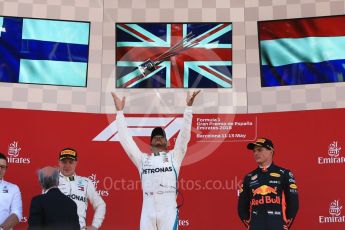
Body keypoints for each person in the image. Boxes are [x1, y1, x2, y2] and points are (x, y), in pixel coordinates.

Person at [112, 91, 200, 230]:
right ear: (151, 142)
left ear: (167, 142)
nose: (158, 138)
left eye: (161, 136)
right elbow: (126, 140)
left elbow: (184, 137)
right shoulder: (142, 159)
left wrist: (188, 109)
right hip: (147, 210)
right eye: (155, 136)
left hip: (168, 210)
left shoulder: (174, 156)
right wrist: (119, 113)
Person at [238, 138, 299, 230]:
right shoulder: (249, 177)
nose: (256, 153)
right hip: (256, 226)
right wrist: (250, 224)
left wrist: (286, 223)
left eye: (259, 150)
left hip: (278, 225)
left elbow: (293, 202)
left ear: (270, 151)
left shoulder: (284, 174)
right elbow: (242, 206)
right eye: (254, 151)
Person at [58, 148, 106, 230]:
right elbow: (43, 208)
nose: (67, 166)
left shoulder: (85, 182)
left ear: (76, 163)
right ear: (59, 163)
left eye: (71, 162)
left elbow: (100, 204)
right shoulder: (50, 181)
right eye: (64, 162)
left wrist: (95, 225)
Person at [0, 153, 22, 230]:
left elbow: (17, 214)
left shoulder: (13, 188)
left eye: (2, 167)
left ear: (6, 169)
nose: (0, 169)